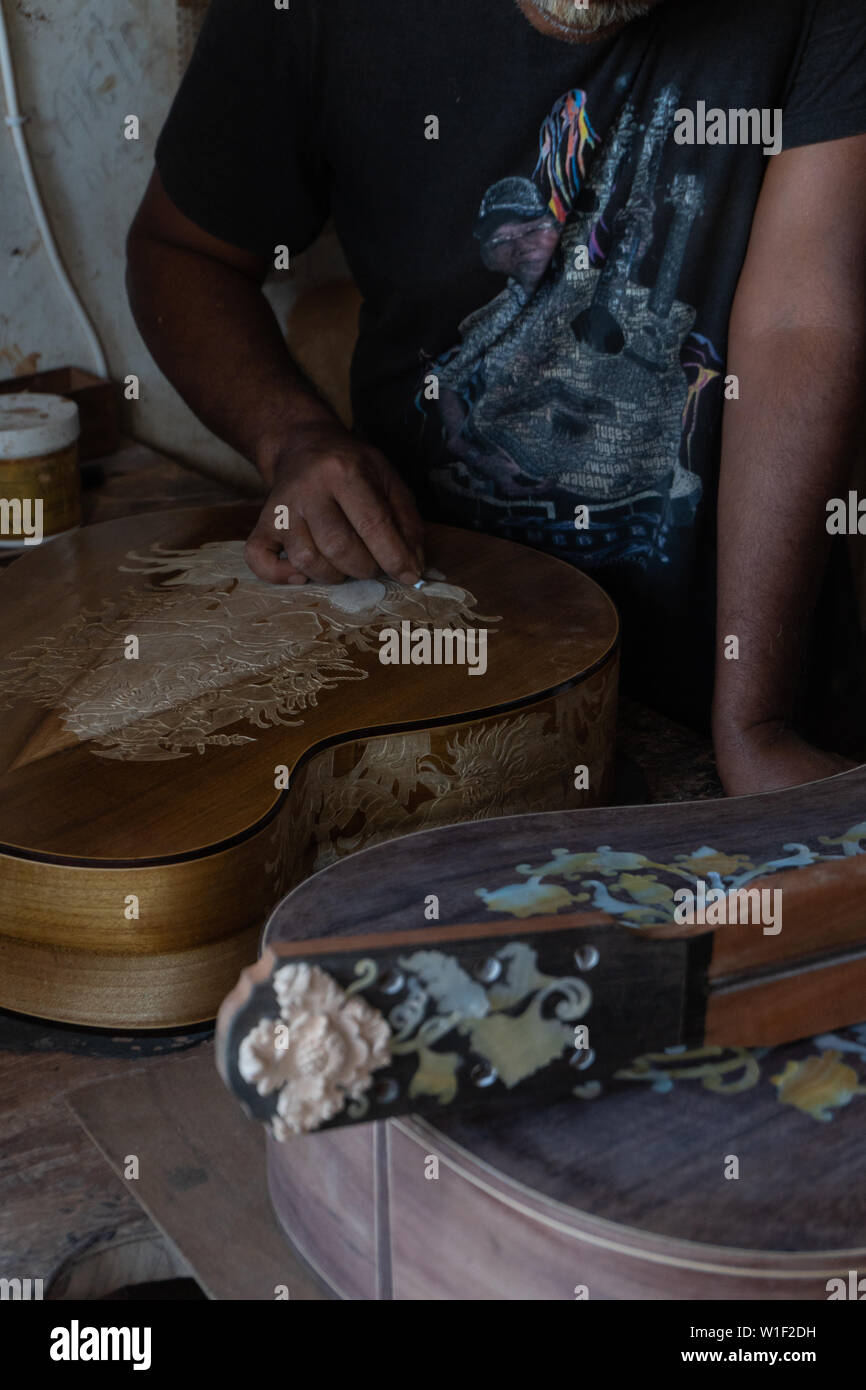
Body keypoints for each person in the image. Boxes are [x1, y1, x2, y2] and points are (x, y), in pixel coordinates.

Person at [126, 0, 866, 795]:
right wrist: (292, 435)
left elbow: (800, 318)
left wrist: (755, 726)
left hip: (741, 659)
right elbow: (182, 251)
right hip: (434, 650)